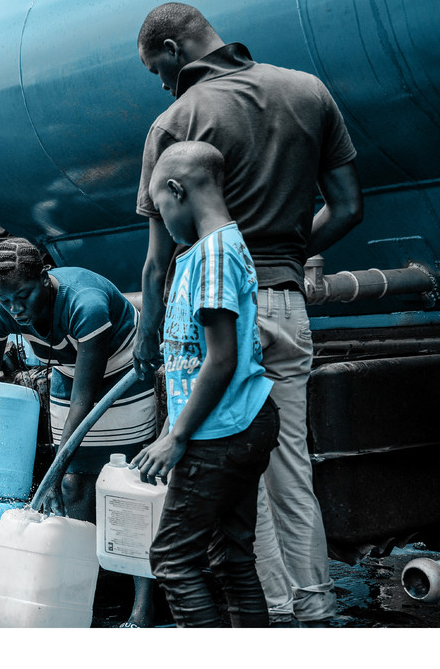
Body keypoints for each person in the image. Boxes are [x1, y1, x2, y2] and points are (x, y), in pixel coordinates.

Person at [133, 2, 363, 626]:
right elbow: (346, 209)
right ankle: (314, 606)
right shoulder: (308, 91)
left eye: (158, 67)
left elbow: (159, 262)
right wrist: (288, 254)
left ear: (175, 51)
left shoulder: (175, 119)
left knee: (235, 472)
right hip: (286, 302)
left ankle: (274, 615)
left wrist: (147, 339)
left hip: (217, 312)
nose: (160, 82)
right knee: (289, 460)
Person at [0, 238, 159, 627]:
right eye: (5, 300)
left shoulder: (84, 304)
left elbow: (83, 401)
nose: (15, 309)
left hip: (124, 372)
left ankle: (142, 606)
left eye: (23, 296)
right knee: (74, 486)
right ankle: (81, 591)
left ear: (45, 279)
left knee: (128, 488)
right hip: (70, 371)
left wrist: (51, 476)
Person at [130, 141, 280, 627]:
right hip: (242, 422)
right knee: (232, 558)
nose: (162, 219)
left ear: (177, 190)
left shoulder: (212, 256)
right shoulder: (221, 246)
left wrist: (176, 436)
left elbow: (220, 361)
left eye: (160, 206)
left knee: (173, 561)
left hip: (219, 433)